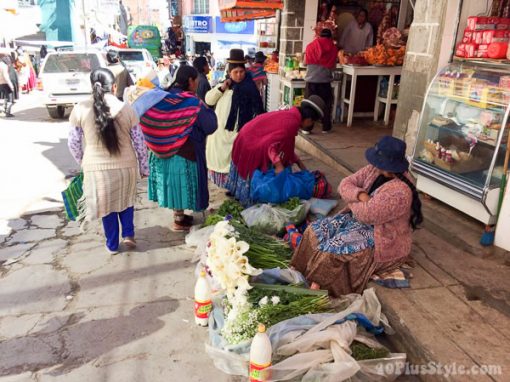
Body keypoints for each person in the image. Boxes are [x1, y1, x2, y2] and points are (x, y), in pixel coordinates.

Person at [291, 136, 423, 297]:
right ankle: (298, 272)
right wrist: (360, 195)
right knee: (315, 230)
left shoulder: (400, 192)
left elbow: (367, 215)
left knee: (334, 249)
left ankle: (317, 289)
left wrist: (352, 199)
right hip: (357, 219)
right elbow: (345, 184)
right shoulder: (373, 170)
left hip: (382, 236)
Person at [67, 68, 149, 254]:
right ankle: (128, 234)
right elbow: (139, 142)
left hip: (96, 169)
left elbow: (73, 143)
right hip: (126, 166)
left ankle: (112, 244)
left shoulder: (80, 108)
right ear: (113, 86)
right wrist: (144, 167)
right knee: (126, 200)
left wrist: (83, 161)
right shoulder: (126, 108)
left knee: (107, 206)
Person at [138, 66, 218, 232]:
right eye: (196, 80)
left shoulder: (160, 97)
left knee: (174, 185)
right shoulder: (191, 102)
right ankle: (179, 222)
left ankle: (179, 216)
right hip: (184, 153)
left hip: (161, 152)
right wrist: (203, 105)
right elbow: (210, 125)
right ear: (190, 80)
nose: (197, 83)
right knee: (183, 184)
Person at [226, 95, 325, 206]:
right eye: (313, 123)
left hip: (246, 134)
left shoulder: (292, 115)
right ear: (308, 120)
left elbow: (286, 145)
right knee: (268, 169)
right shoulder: (291, 123)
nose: (311, 125)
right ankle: (251, 198)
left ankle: (237, 193)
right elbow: (271, 145)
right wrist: (278, 165)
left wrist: (299, 162)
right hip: (250, 140)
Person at [205, 49, 264, 189]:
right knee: (222, 163)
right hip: (221, 134)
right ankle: (228, 187)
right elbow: (209, 100)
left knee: (238, 164)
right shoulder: (223, 87)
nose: (239, 75)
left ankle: (236, 189)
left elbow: (258, 111)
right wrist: (222, 88)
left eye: (241, 72)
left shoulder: (250, 88)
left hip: (240, 134)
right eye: (235, 72)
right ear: (229, 72)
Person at [304, 28, 337, 134]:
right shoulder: (333, 48)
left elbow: (305, 62)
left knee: (309, 105)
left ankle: (307, 129)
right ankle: (326, 128)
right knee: (326, 105)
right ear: (330, 37)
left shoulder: (310, 46)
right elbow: (333, 67)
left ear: (320, 36)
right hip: (325, 82)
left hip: (311, 81)